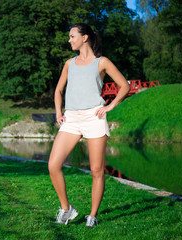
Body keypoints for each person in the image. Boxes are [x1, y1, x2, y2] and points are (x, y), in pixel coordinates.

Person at [48, 23, 130, 227]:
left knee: (96, 170)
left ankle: (92, 216)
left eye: (72, 36)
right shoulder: (69, 63)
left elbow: (125, 86)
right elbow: (58, 91)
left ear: (84, 37)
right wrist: (59, 113)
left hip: (94, 118)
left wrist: (110, 106)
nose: (69, 40)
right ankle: (66, 209)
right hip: (72, 119)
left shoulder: (102, 62)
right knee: (53, 165)